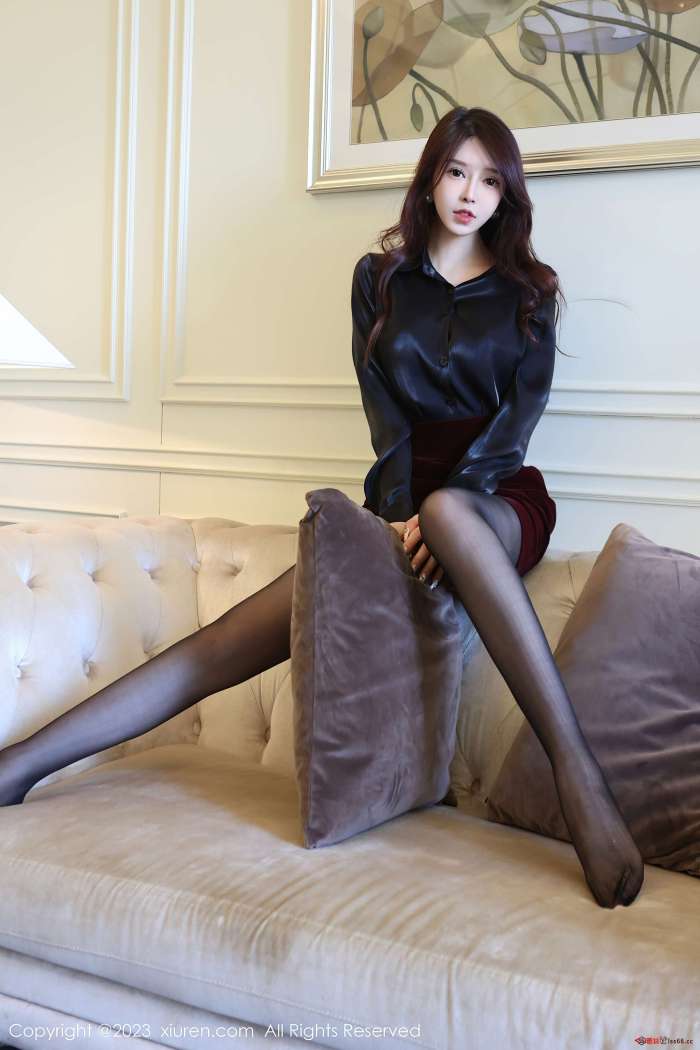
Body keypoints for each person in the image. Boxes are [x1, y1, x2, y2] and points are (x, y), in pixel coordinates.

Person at [0, 105, 643, 910]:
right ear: (430, 178)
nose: (469, 193)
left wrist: (442, 509)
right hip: (400, 502)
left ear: (506, 193)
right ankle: (21, 764)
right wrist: (404, 514)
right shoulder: (378, 279)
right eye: (455, 172)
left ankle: (578, 776)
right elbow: (385, 418)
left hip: (498, 500)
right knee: (224, 643)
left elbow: (517, 425)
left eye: (488, 179)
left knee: (451, 514)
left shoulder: (530, 293)